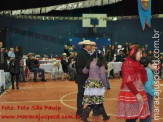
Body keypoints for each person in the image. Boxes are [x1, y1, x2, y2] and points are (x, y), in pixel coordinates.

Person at [117, 45, 150, 122]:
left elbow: (141, 78)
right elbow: (128, 82)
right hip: (132, 93)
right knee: (131, 118)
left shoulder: (136, 63)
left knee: (134, 116)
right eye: (140, 53)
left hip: (138, 91)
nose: (141, 55)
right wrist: (137, 94)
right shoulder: (127, 64)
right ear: (134, 53)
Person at [81, 50, 110, 122]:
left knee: (95, 101)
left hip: (90, 83)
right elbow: (103, 76)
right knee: (96, 101)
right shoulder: (100, 63)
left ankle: (105, 116)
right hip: (97, 84)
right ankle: (84, 117)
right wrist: (105, 85)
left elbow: (84, 71)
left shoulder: (90, 62)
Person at [75, 40, 100, 117]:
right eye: (90, 45)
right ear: (86, 46)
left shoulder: (80, 53)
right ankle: (95, 111)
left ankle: (79, 112)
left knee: (81, 95)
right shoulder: (86, 55)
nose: (91, 47)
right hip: (86, 77)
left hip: (81, 77)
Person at [140, 57, 156, 122]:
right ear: (149, 64)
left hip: (143, 94)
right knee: (148, 114)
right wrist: (154, 93)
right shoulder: (148, 72)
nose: (156, 66)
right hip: (148, 95)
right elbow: (148, 86)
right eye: (154, 64)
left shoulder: (145, 70)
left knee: (144, 114)